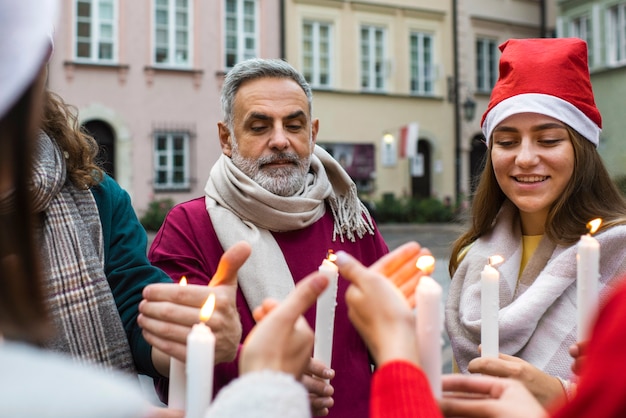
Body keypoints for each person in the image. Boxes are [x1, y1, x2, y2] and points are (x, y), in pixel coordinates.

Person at [144, 57, 390, 416]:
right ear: (227, 139)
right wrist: (268, 375)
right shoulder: (190, 226)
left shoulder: (353, 222)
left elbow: (392, 341)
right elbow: (174, 351)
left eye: (294, 125)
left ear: (313, 134)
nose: (280, 141)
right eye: (259, 127)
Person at [445, 38, 626, 406]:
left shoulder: (619, 256)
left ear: (582, 149)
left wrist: (561, 395)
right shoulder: (472, 256)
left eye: (548, 140)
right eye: (507, 142)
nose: (525, 159)